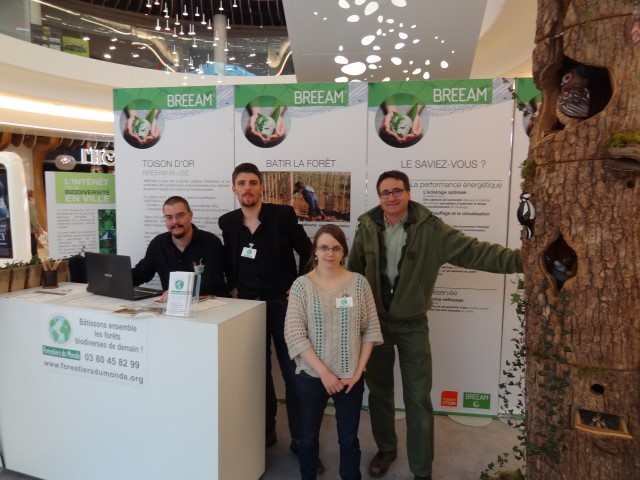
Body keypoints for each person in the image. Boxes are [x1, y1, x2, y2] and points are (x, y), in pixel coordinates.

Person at [348, 170, 523, 480]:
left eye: (397, 191)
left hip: (413, 325)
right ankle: (386, 448)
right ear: (379, 197)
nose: (391, 197)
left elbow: (474, 252)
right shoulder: (367, 227)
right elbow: (353, 277)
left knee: (418, 398)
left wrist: (523, 260)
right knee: (379, 393)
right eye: (385, 192)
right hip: (374, 325)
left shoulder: (431, 229)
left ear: (408, 193)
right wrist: (350, 318)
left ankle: (421, 469)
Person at [218, 163, 317, 466]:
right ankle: (266, 431)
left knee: (293, 373)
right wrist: (233, 286)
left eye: (252, 182)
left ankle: (302, 442)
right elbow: (229, 259)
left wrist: (298, 285)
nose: (247, 188)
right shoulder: (228, 222)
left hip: (282, 306)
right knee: (257, 375)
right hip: (247, 309)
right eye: (241, 183)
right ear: (234, 189)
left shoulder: (282, 215)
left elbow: (308, 250)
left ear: (261, 187)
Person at [285, 224, 382, 480]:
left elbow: (370, 330)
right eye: (324, 247)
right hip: (311, 376)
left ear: (344, 252)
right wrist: (325, 373)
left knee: (349, 439)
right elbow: (295, 335)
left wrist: (357, 372)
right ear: (315, 251)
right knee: (307, 438)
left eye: (336, 248)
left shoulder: (359, 284)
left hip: (350, 378)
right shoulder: (301, 286)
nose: (330, 253)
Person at [132, 196, 228, 302]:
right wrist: (119, 279)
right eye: (169, 217)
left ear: (190, 215)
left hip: (211, 305)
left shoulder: (210, 242)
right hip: (174, 307)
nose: (175, 222)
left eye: (180, 216)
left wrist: (177, 292)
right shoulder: (158, 244)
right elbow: (142, 273)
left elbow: (211, 281)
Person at [28, 189, 43, 257]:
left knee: (33, 246)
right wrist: (38, 227)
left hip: (26, 231)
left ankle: (36, 259)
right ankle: (36, 260)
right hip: (30, 230)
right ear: (31, 196)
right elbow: (33, 218)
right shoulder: (30, 204)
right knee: (33, 246)